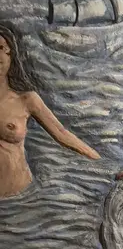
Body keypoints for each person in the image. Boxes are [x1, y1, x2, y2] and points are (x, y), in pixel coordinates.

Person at [0, 23, 99, 198]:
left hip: (22, 200)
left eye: (1, 48)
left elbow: (62, 133)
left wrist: (99, 162)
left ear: (11, 55)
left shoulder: (26, 100)